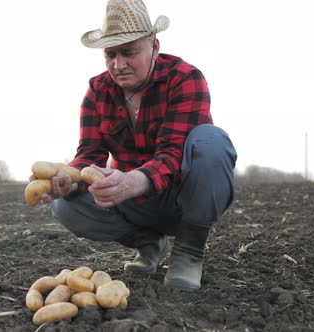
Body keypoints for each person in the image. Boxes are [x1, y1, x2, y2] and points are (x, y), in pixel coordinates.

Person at [32, 0, 237, 291]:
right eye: (110, 54)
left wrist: (134, 181)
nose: (118, 64)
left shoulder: (185, 79)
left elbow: (173, 152)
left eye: (129, 52)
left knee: (211, 140)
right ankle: (147, 242)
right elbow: (89, 154)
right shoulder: (97, 91)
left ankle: (190, 250)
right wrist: (67, 178)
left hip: (182, 199)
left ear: (154, 46)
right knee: (64, 206)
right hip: (133, 203)